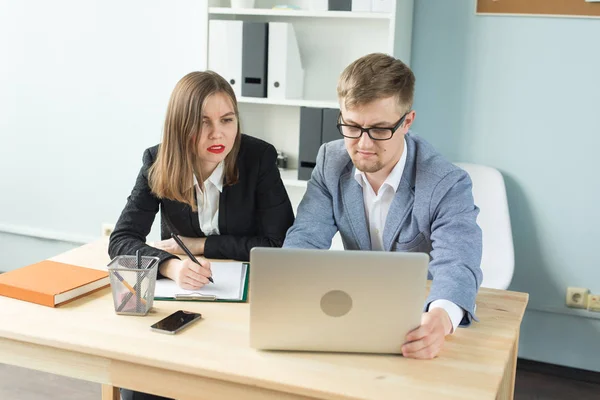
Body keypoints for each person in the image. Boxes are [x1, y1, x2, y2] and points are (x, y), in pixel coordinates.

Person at [283, 53, 483, 360]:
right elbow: (306, 238)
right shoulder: (330, 160)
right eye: (351, 126)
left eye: (379, 130)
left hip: (415, 320)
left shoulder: (446, 182)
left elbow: (458, 264)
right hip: (352, 311)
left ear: (407, 122)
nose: (363, 144)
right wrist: (285, 286)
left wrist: (440, 319)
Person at [109, 71, 295, 400]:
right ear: (181, 126)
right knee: (141, 389)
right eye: (203, 122)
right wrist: (170, 267)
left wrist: (201, 245)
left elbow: (279, 244)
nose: (217, 133)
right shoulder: (158, 160)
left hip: (248, 307)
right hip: (184, 306)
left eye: (227, 120)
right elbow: (122, 239)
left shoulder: (259, 158)